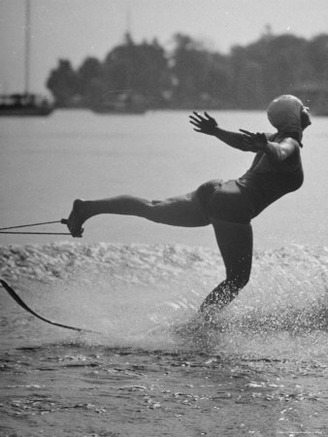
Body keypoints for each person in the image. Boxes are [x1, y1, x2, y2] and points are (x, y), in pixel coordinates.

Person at [66, 95, 311, 315]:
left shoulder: (274, 138)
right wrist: (266, 147)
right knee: (237, 279)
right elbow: (280, 152)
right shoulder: (287, 143)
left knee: (153, 207)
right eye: (303, 109)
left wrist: (217, 131)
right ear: (296, 116)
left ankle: (87, 208)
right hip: (233, 205)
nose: (307, 112)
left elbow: (244, 142)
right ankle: (200, 327)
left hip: (216, 190)